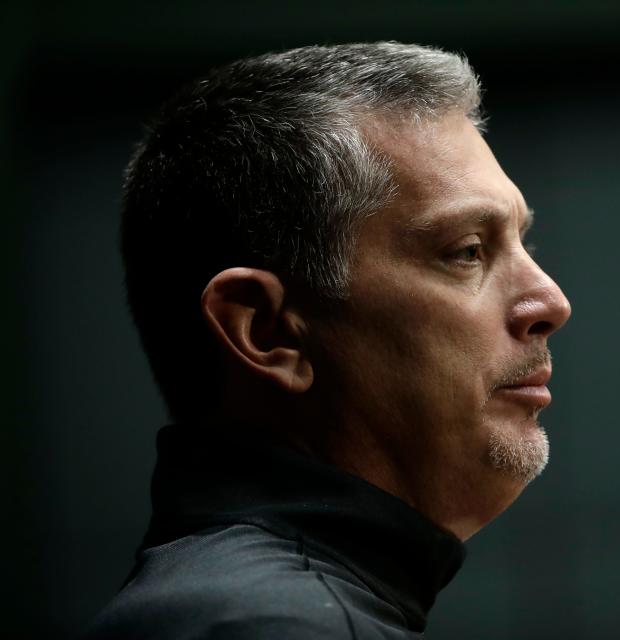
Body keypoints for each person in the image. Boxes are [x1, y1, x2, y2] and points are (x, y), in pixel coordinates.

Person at [84, 42, 571, 639]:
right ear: (266, 331)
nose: (550, 302)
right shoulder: (273, 626)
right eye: (468, 251)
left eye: (523, 243)